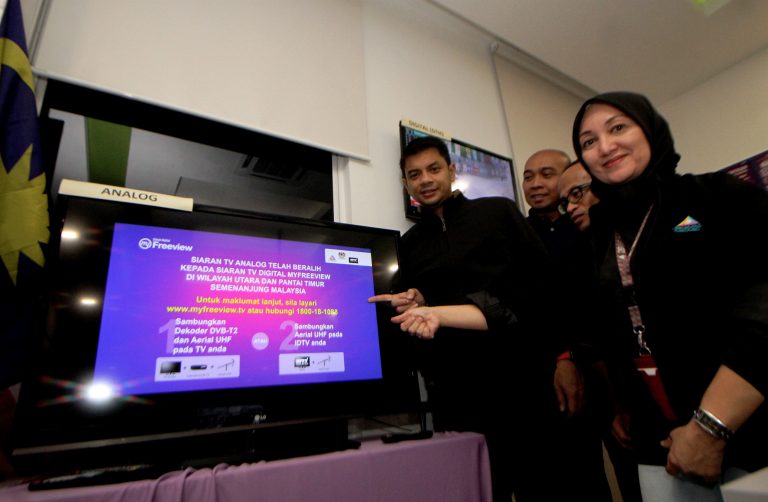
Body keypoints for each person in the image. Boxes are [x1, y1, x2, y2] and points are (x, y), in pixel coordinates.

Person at [572, 91, 768, 501]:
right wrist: (623, 404)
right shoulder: (598, 235)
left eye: (618, 127)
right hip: (658, 443)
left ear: (650, 129)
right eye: (588, 141)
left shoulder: (715, 195)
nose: (605, 146)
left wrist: (710, 427)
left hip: (747, 429)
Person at [370, 136, 568, 502]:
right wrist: (415, 299)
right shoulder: (408, 245)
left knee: (545, 486)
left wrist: (565, 358)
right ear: (405, 183)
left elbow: (542, 289)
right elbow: (422, 311)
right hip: (456, 397)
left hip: (522, 385)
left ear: (451, 170)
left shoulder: (498, 213)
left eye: (433, 169)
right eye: (414, 174)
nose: (425, 180)